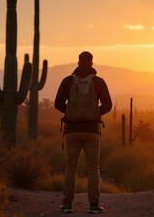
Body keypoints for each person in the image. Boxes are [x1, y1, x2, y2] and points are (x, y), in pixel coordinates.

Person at [54, 51, 112, 214]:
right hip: (92, 131)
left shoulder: (67, 81)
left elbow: (58, 103)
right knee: (94, 168)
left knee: (70, 167)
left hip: (72, 131)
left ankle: (67, 205)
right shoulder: (99, 82)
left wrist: (70, 112)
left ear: (78, 62)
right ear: (92, 63)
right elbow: (108, 105)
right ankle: (93, 205)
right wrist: (95, 113)